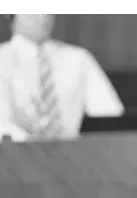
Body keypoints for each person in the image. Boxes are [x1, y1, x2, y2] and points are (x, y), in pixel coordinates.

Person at [0, 8, 124, 142]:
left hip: (71, 156)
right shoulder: (3, 61)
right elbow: (3, 126)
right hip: (14, 157)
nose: (44, 15)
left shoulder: (78, 59)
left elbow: (110, 116)